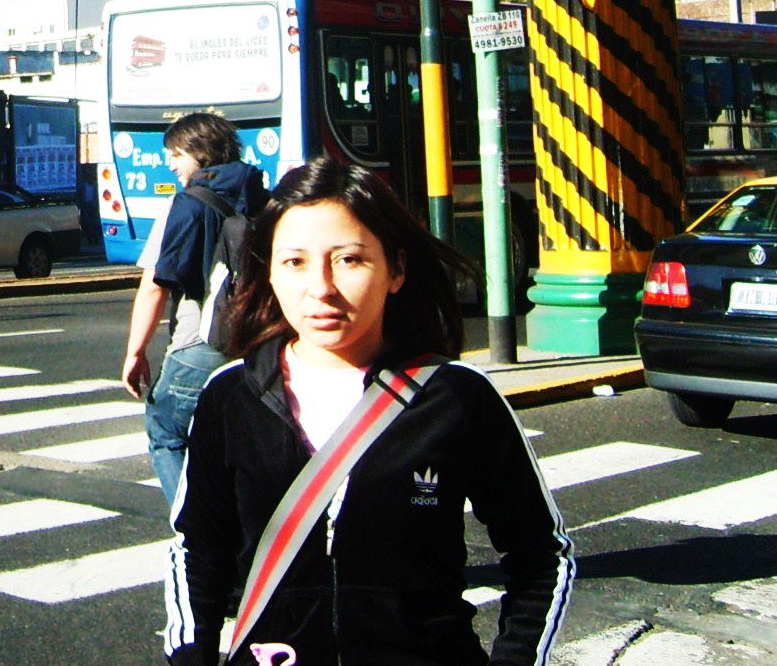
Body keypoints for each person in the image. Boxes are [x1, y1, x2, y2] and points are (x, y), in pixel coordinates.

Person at [163, 158, 571, 666]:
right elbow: (197, 552)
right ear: (269, 270)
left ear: (395, 270)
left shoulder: (455, 397)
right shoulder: (230, 396)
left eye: (349, 259)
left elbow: (541, 558)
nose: (322, 288)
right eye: (294, 262)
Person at [120, 112, 269, 510]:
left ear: (201, 153)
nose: (170, 164)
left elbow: (155, 286)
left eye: (176, 154)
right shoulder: (260, 196)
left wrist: (136, 352)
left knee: (166, 430)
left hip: (201, 342)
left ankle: (194, 529)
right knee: (230, 440)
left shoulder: (185, 203)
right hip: (256, 344)